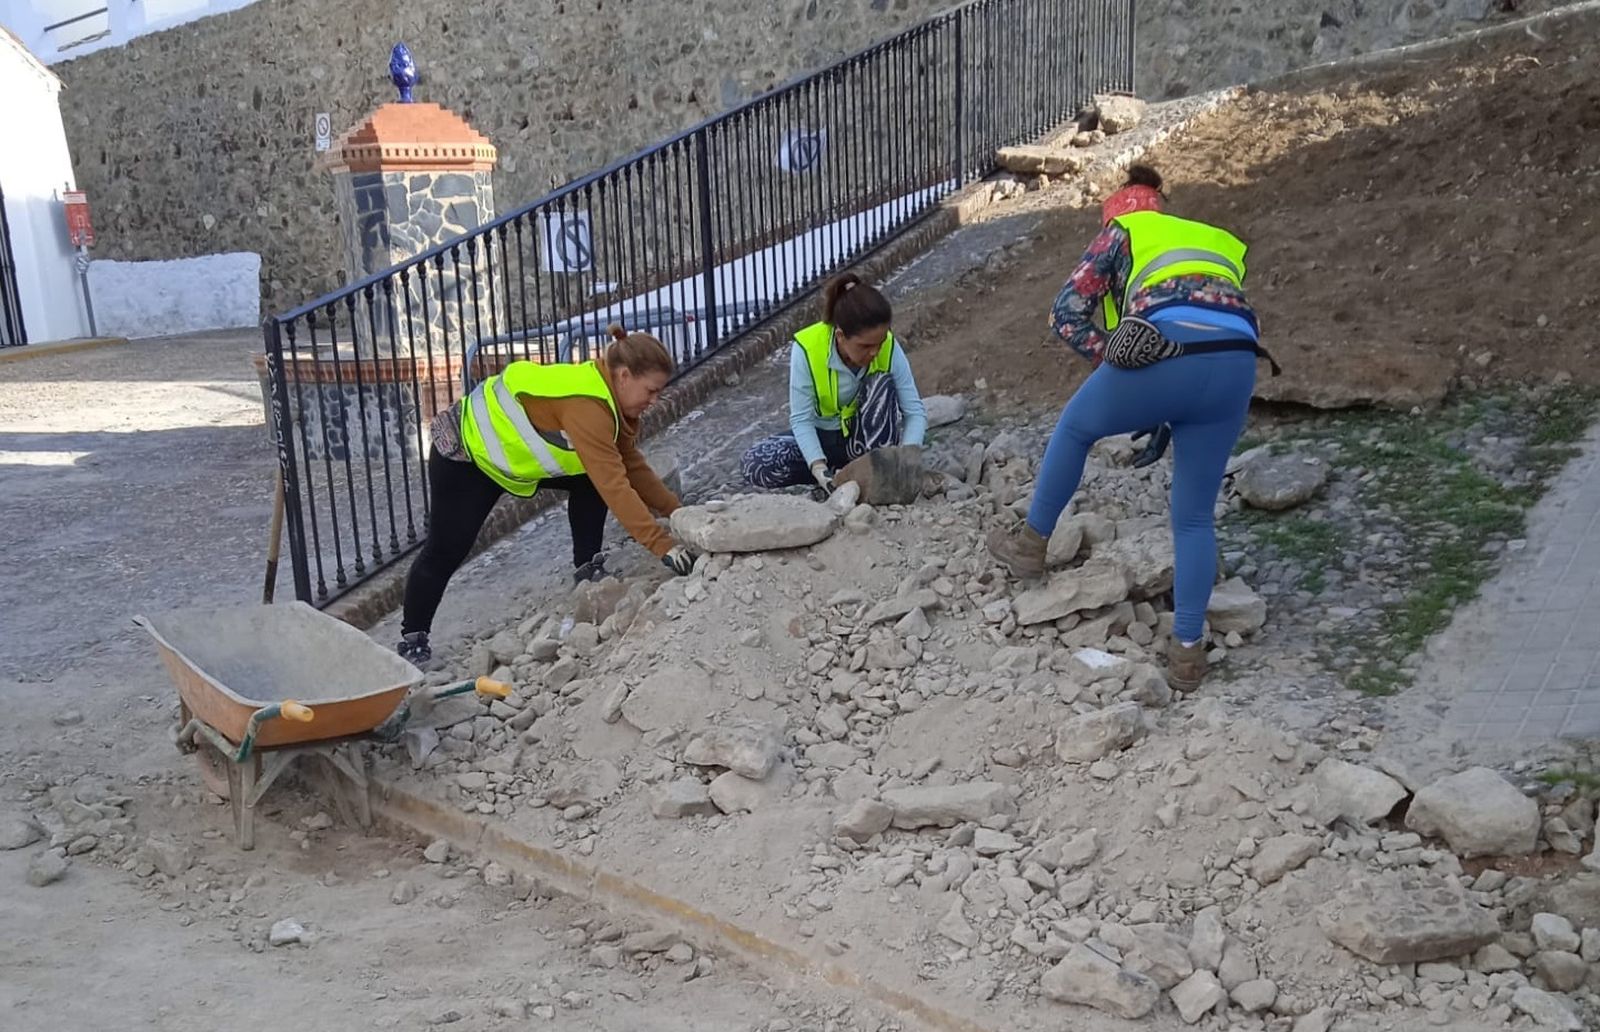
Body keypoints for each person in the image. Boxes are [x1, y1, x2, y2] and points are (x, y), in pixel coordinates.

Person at [986, 164, 1273, 692]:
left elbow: (1066, 314)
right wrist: (1162, 403)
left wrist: (1117, 362)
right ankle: (1188, 653)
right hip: (1237, 362)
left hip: (1166, 350)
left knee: (1075, 428)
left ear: (1116, 210)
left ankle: (1030, 546)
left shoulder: (1122, 231)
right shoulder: (1213, 239)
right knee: (1193, 516)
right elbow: (1210, 316)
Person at [397, 325, 695, 663]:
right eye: (651, 391)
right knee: (446, 550)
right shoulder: (588, 407)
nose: (654, 401)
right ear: (624, 376)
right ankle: (413, 638)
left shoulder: (605, 393)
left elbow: (631, 465)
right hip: (466, 457)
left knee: (589, 479)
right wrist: (662, 545)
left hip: (510, 456)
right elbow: (616, 486)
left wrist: (678, 513)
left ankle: (588, 568)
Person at [741, 272, 928, 492]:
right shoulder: (808, 349)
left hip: (867, 441)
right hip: (823, 439)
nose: (874, 352)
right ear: (840, 336)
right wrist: (818, 467)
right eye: (865, 346)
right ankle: (836, 478)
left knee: (882, 385)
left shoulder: (889, 346)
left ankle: (874, 474)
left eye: (880, 343)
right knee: (756, 463)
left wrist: (907, 458)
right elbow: (801, 419)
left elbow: (914, 411)